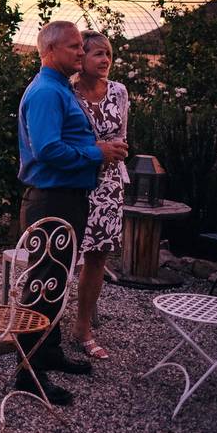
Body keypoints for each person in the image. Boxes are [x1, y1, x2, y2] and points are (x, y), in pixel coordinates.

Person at [16, 20, 128, 405]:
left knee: (54, 283)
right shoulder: (47, 92)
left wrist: (96, 149)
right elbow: (47, 150)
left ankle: (49, 353)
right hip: (52, 200)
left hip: (67, 198)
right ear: (50, 52)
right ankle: (29, 374)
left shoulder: (60, 88)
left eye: (82, 47)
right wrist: (97, 152)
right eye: (73, 47)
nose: (81, 53)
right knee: (42, 288)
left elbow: (63, 141)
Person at [71, 30, 128, 360]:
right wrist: (96, 150)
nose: (105, 60)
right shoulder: (68, 92)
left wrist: (117, 151)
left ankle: (83, 327)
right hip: (75, 181)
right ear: (82, 58)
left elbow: (121, 135)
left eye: (108, 54)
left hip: (108, 185)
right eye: (97, 54)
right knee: (66, 253)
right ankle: (42, 324)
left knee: (97, 258)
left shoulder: (119, 91)